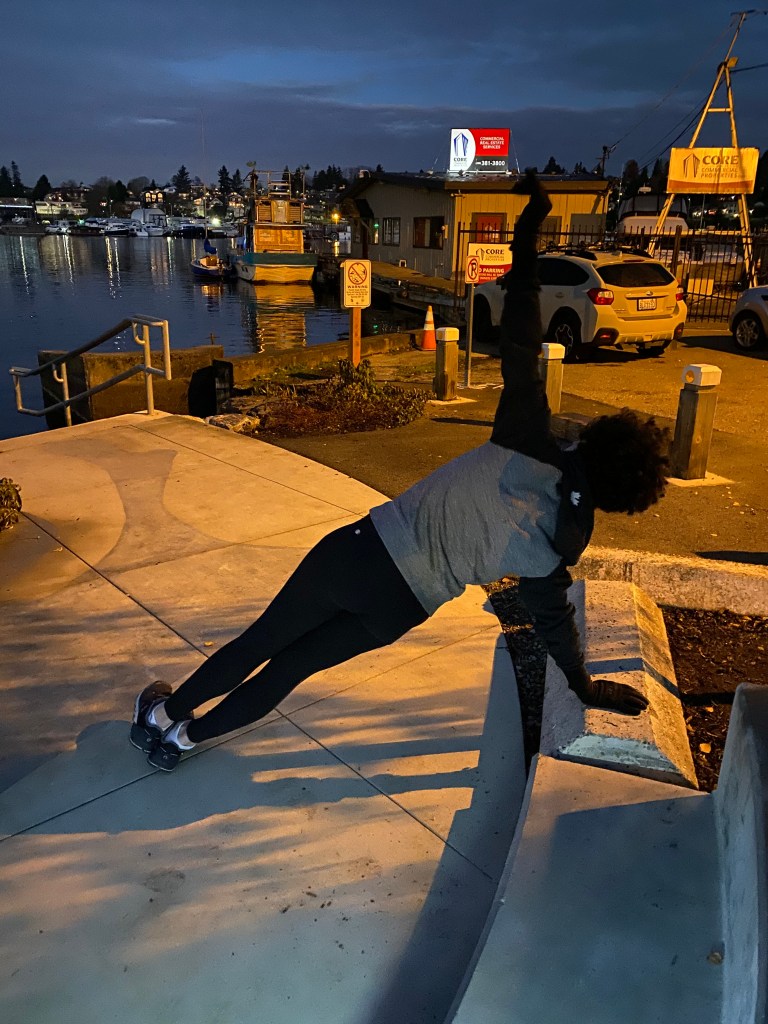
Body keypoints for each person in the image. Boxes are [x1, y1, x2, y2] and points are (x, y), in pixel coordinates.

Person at [131, 171, 668, 772]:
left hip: (364, 554)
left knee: (262, 642)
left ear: (598, 435)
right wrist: (585, 687)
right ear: (619, 499)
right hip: (404, 607)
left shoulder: (529, 440)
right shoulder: (558, 551)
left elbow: (521, 332)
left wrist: (526, 233)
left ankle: (159, 715)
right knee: (290, 669)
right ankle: (182, 742)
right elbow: (555, 626)